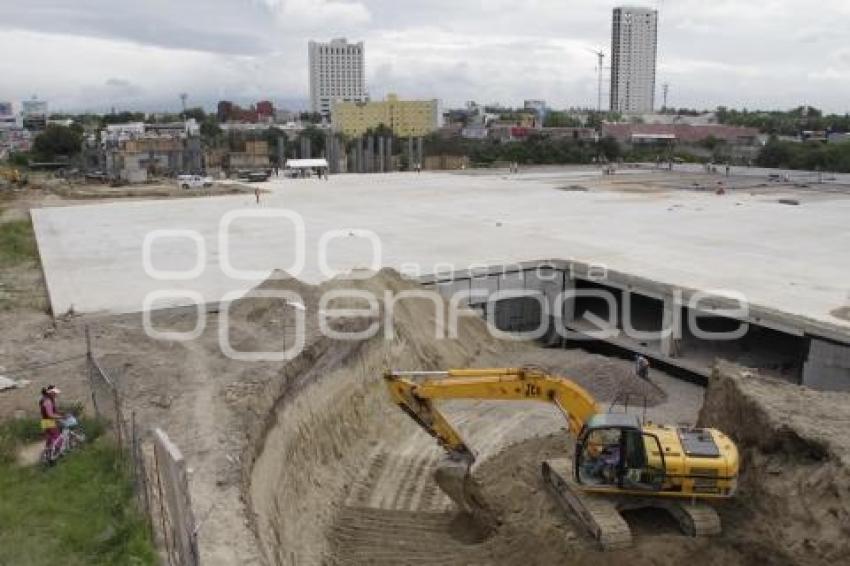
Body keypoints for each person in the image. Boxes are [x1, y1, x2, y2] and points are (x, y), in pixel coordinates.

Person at [39, 385, 64, 456]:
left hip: (44, 422)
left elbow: (53, 411)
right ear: (50, 393)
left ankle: (46, 455)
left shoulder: (45, 399)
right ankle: (56, 454)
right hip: (49, 422)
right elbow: (50, 414)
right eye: (55, 393)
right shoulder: (48, 401)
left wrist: (61, 413)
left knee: (49, 440)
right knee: (58, 438)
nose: (56, 394)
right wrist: (60, 417)